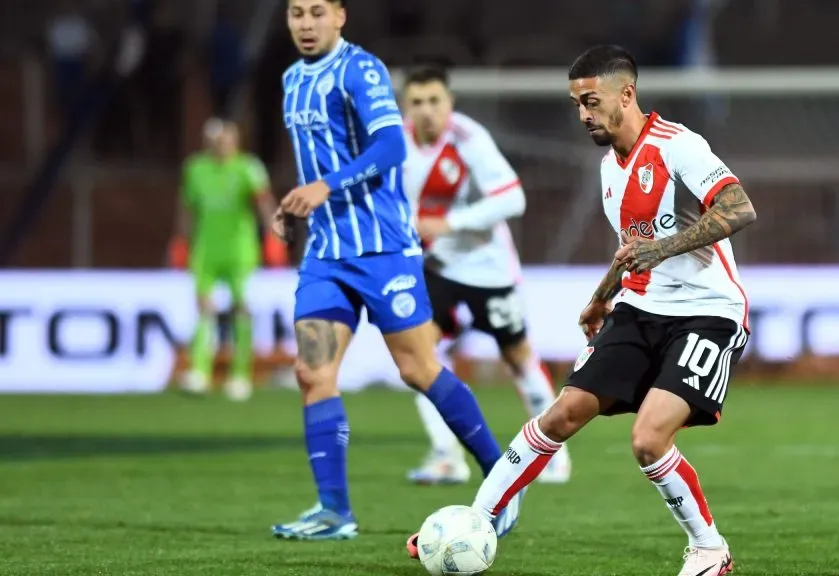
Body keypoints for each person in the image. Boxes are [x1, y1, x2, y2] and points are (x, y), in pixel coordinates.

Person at [407, 45, 756, 576]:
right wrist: (602, 294)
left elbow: (739, 207)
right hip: (639, 307)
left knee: (648, 439)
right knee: (560, 414)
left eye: (591, 102)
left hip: (707, 313)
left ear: (626, 94)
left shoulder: (679, 146)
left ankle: (710, 549)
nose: (583, 115)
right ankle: (476, 520)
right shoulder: (609, 167)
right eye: (576, 105)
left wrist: (661, 250)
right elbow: (631, 246)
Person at [270, 0, 522, 541]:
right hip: (326, 254)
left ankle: (503, 479)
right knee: (312, 373)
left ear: (340, 15)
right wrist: (296, 205)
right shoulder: (292, 80)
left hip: (383, 248)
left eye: (317, 12)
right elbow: (317, 161)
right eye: (296, 13)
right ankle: (334, 511)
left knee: (418, 368)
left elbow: (390, 147)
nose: (306, 24)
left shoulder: (362, 70)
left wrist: (326, 187)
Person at [400, 64, 571, 486]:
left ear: (450, 103)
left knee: (517, 356)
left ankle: (553, 454)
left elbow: (513, 199)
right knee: (418, 356)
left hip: (486, 269)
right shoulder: (396, 142)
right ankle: (447, 456)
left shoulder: (469, 139)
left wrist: (451, 222)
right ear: (406, 106)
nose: (427, 110)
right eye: (417, 102)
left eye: (435, 101)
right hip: (437, 267)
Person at [171, 118, 282, 402]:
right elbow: (187, 207)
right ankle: (199, 372)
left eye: (226, 140)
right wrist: (181, 240)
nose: (221, 145)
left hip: (239, 249)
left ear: (235, 140)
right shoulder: (196, 169)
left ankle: (240, 374)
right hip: (206, 248)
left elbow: (264, 203)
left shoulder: (248, 167)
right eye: (216, 140)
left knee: (240, 309)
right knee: (204, 308)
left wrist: (274, 237)